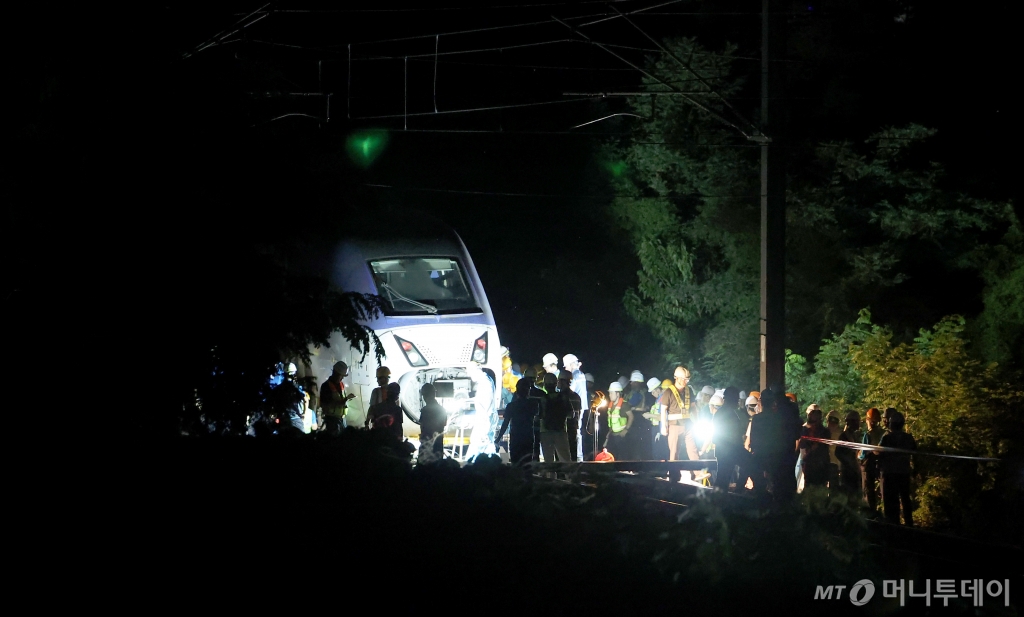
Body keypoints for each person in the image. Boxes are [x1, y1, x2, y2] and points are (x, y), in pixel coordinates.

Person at [749, 389, 802, 500]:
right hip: (779, 456)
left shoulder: (757, 419)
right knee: (779, 485)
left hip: (763, 456)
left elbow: (754, 439)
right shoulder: (779, 418)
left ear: (761, 402)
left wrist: (755, 452)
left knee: (763, 486)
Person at [660, 366, 703, 481]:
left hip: (688, 425)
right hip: (674, 426)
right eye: (684, 379)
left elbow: (693, 408)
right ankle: (674, 475)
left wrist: (697, 421)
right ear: (677, 378)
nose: (686, 381)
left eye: (687, 379)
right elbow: (663, 409)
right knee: (674, 451)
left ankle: (698, 473)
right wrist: (663, 426)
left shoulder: (689, 391)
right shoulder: (669, 392)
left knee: (692, 449)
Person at [878, 410, 916, 526]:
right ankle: (909, 523)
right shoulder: (908, 438)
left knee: (890, 501)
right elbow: (915, 453)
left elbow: (879, 453)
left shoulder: (887, 438)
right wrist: (915, 468)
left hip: (889, 474)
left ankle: (892, 524)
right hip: (903, 473)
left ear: (891, 424)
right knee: (905, 499)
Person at [495, 375, 540, 466]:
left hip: (515, 438)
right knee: (527, 465)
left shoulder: (511, 406)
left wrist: (498, 438)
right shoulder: (533, 405)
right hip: (528, 437)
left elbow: (505, 423)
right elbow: (537, 420)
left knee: (515, 465)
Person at [714, 386, 745, 490]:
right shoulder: (729, 414)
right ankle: (737, 491)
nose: (737, 402)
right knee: (723, 478)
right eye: (736, 399)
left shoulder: (722, 413)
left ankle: (719, 496)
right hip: (729, 451)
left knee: (722, 478)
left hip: (725, 451)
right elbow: (734, 435)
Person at [538, 373, 572, 463]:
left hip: (546, 432)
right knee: (565, 460)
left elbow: (540, 415)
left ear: (545, 385)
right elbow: (571, 414)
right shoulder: (563, 398)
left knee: (548, 461)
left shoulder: (543, 399)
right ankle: (568, 473)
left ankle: (550, 473)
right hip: (561, 431)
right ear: (556, 384)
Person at [319, 361, 356, 436]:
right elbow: (327, 404)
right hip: (332, 420)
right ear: (335, 373)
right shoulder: (326, 386)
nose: (342, 378)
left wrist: (346, 399)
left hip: (342, 419)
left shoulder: (341, 384)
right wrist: (345, 400)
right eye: (341, 376)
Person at [562, 354, 588, 460]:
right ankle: (578, 456)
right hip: (580, 405)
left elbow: (569, 390)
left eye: (566, 366)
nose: (566, 368)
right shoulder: (581, 374)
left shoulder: (575, 375)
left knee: (575, 431)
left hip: (575, 406)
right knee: (577, 430)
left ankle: (577, 456)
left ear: (571, 364)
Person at [798, 406, 830, 489]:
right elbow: (802, 445)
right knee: (810, 489)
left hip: (820, 467)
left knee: (819, 490)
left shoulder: (825, 432)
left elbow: (825, 451)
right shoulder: (806, 430)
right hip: (810, 466)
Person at [269, 362, 306, 435]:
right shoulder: (295, 388)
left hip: (284, 419)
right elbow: (305, 399)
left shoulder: (279, 388)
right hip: (295, 419)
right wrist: (303, 414)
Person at [860, 407, 885, 512]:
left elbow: (863, 454)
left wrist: (858, 455)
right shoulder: (883, 433)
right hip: (881, 465)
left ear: (869, 421)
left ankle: (871, 512)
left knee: (868, 490)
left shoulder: (868, 435)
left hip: (868, 465)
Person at [555, 370, 583, 461]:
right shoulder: (576, 396)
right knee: (572, 457)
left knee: (560, 460)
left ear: (563, 381)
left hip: (561, 431)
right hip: (573, 431)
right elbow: (578, 414)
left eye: (559, 380)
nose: (557, 382)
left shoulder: (558, 397)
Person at [626, 371, 653, 460]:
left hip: (638, 421)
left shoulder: (638, 394)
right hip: (640, 420)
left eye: (632, 382)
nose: (631, 384)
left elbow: (629, 405)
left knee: (636, 445)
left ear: (637, 383)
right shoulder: (642, 393)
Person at [603, 381, 633, 460]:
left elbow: (631, 416)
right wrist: (609, 433)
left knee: (624, 456)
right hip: (613, 435)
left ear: (617, 394)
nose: (609, 395)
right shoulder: (611, 405)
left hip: (621, 436)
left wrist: (626, 429)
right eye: (609, 393)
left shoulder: (624, 404)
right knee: (612, 456)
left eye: (611, 393)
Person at [418, 383, 447, 461]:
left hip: (426, 446)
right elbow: (443, 425)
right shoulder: (442, 410)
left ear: (424, 396)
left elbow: (423, 426)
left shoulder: (425, 410)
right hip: (438, 446)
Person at [836, 410, 862, 496]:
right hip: (847, 473)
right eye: (857, 421)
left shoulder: (853, 435)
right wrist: (848, 463)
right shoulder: (844, 436)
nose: (859, 424)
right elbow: (838, 452)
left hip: (853, 471)